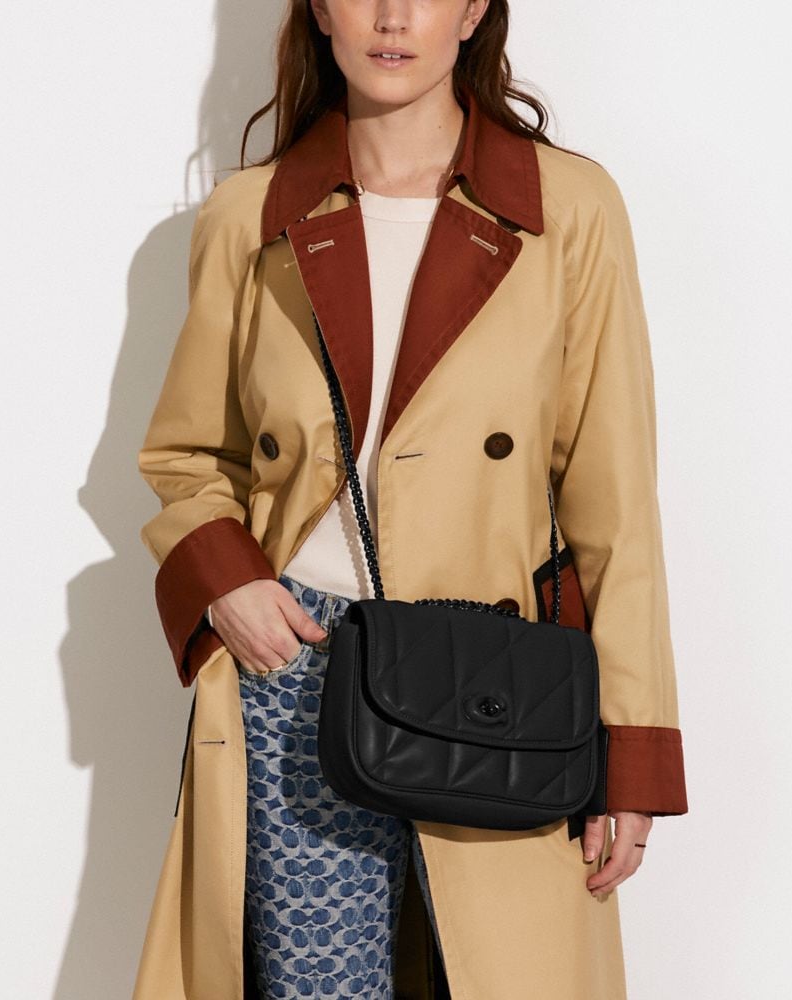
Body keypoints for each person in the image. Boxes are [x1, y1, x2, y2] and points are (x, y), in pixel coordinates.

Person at [133, 2, 689, 998]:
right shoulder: (249, 218)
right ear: (319, 8)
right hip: (299, 670)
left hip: (496, 679)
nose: (392, 18)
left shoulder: (567, 210)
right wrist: (231, 584)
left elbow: (615, 508)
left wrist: (633, 753)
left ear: (474, 10)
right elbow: (188, 455)